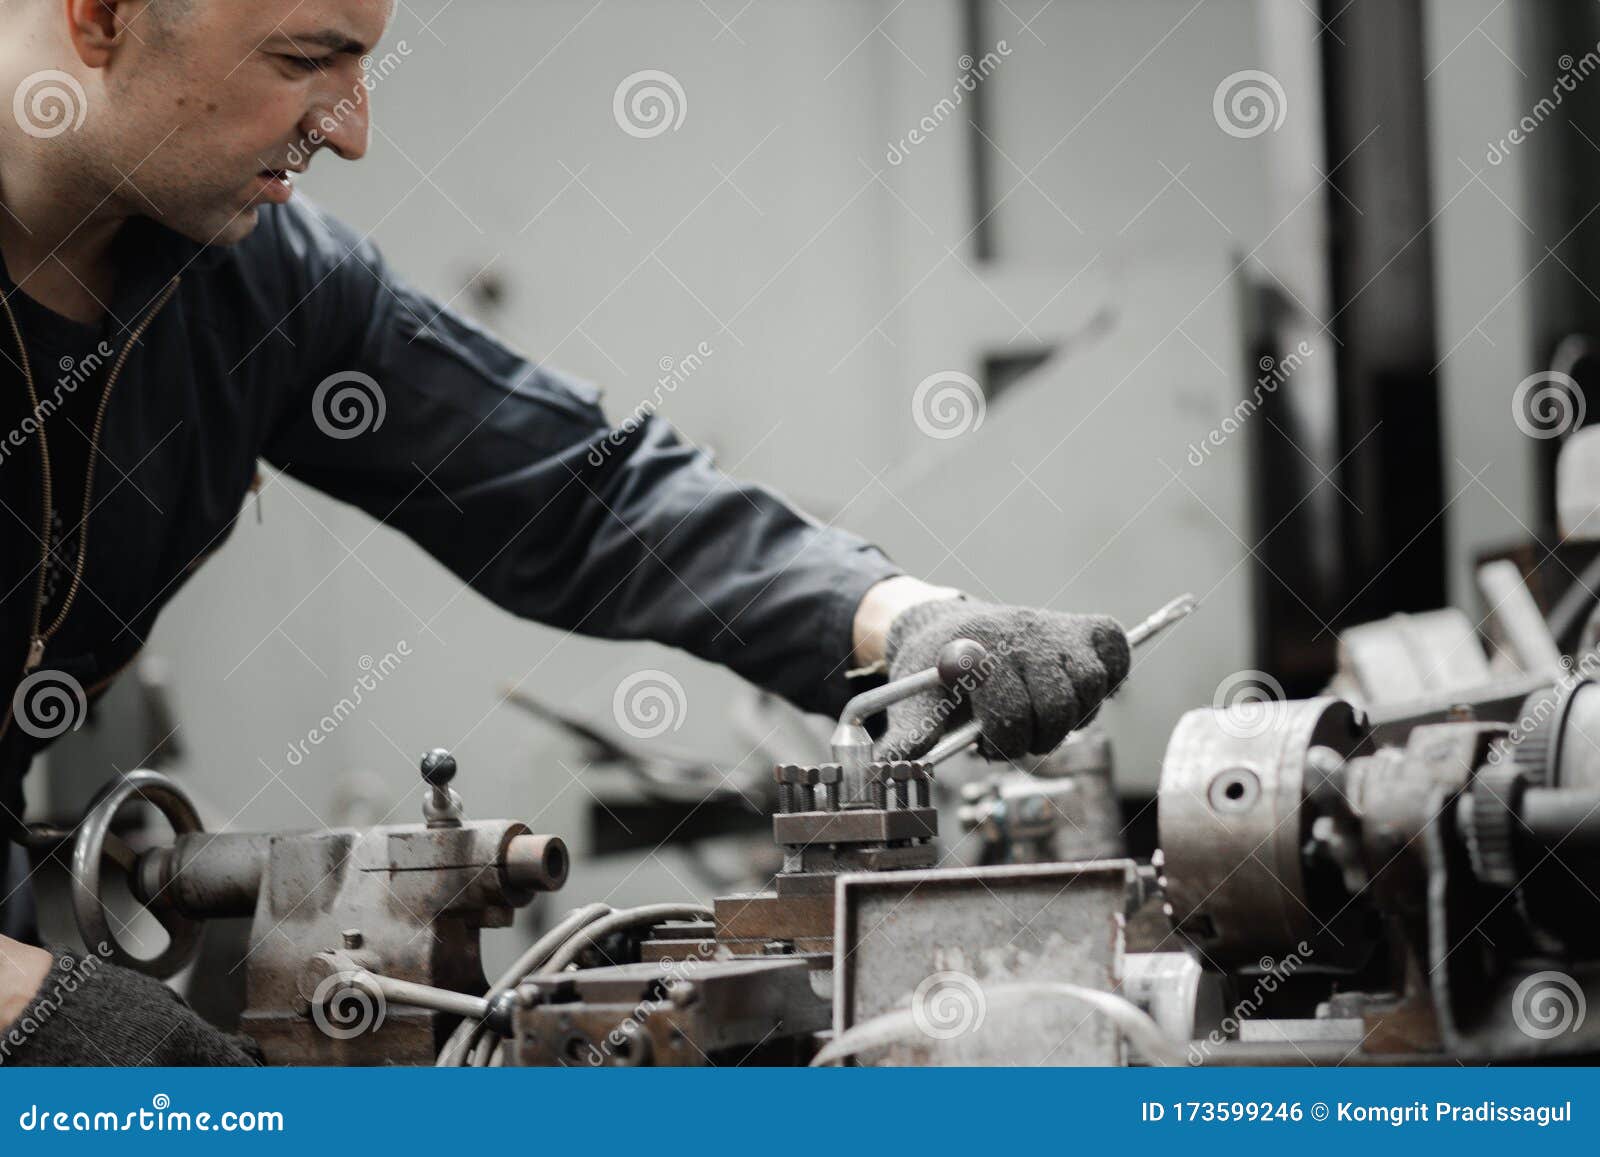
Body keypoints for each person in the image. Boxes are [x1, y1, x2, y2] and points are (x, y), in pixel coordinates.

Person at [0, 0, 1130, 1065]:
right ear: (100, 15)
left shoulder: (252, 284)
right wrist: (63, 1022)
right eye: (305, 59)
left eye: (362, 64)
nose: (350, 131)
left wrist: (906, 620)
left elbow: (576, 493)